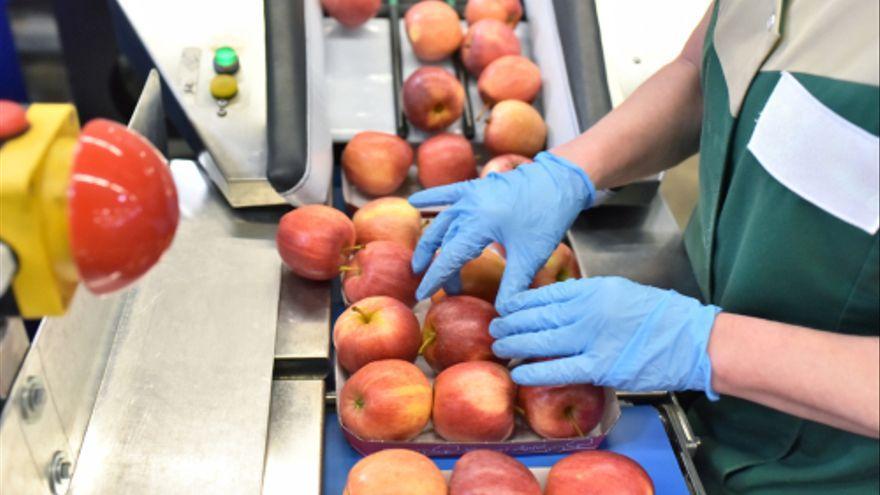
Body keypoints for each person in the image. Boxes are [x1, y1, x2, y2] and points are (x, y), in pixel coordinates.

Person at [409, 2, 879, 493]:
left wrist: (707, 344)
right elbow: (703, 71)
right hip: (698, 354)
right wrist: (570, 170)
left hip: (825, 468)